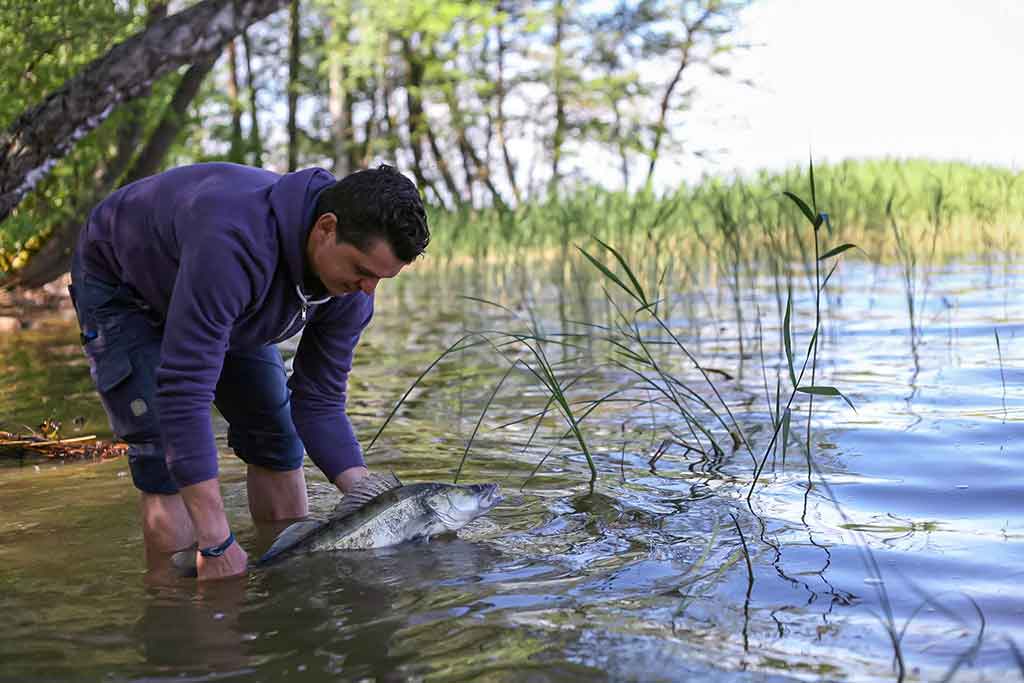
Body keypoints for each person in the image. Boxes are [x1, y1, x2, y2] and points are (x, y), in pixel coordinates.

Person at [69, 162, 429, 581]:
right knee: (162, 450)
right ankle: (177, 608)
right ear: (326, 228)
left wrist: (371, 498)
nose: (368, 290)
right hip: (123, 287)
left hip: (224, 300)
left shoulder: (352, 293)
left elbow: (319, 403)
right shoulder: (234, 244)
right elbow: (184, 394)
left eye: (381, 279)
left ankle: (285, 582)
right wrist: (216, 541)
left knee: (276, 438)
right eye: (363, 271)